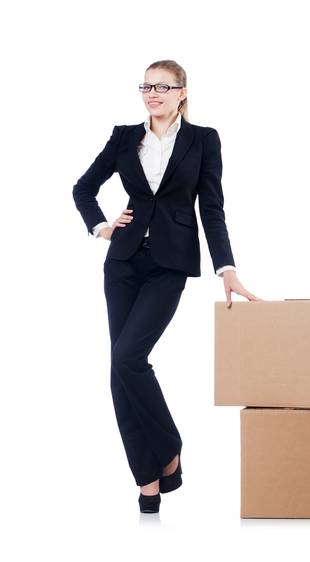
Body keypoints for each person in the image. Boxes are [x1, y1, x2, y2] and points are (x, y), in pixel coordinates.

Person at [71, 60, 259, 514]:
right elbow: (83, 188)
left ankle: (170, 446)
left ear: (182, 92)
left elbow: (211, 208)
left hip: (169, 264)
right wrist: (102, 226)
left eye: (162, 86)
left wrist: (226, 267)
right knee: (122, 367)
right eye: (146, 86)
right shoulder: (123, 136)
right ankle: (147, 479)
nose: (152, 93)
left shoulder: (203, 139)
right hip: (123, 264)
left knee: (129, 356)